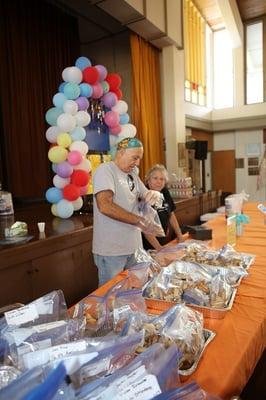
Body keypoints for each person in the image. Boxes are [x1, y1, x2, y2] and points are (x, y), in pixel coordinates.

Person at [92, 137, 162, 286]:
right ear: (121, 153)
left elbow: (147, 195)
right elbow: (105, 206)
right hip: (112, 251)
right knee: (111, 297)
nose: (137, 163)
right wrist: (138, 220)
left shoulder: (132, 175)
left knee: (135, 292)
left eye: (139, 159)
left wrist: (154, 194)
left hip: (134, 248)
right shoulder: (105, 170)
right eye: (135, 158)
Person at [142, 164, 184, 251]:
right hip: (147, 245)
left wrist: (179, 235)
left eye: (162, 179)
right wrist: (158, 248)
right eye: (155, 178)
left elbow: (171, 214)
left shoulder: (164, 192)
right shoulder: (144, 195)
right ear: (148, 180)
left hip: (163, 240)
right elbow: (145, 227)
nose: (159, 182)